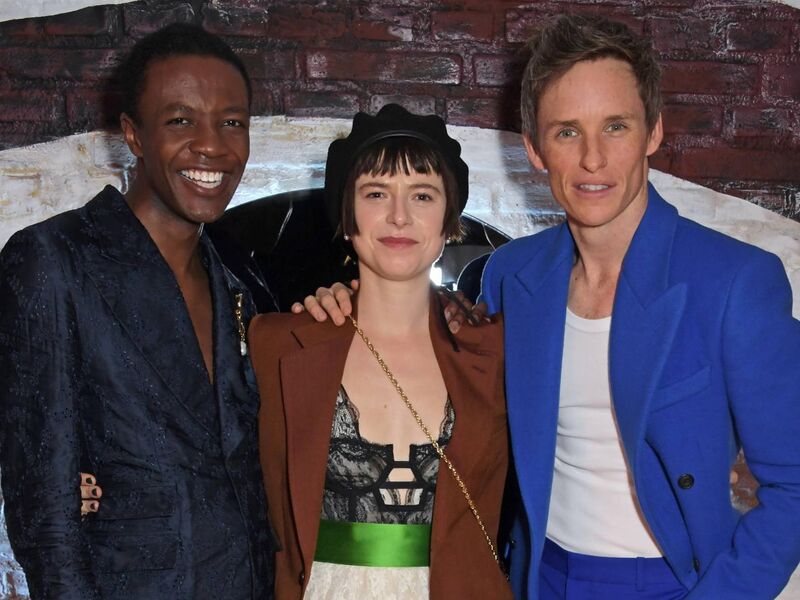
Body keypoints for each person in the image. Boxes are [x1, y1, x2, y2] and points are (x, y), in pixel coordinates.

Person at [478, 14, 800, 600]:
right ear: (534, 148)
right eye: (567, 132)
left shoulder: (736, 282)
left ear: (653, 132)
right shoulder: (510, 277)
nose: (593, 159)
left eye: (616, 126)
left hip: (674, 585)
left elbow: (797, 486)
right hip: (539, 580)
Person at [0, 23, 275, 599]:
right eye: (180, 120)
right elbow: (45, 516)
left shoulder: (239, 282)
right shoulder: (54, 260)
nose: (212, 145)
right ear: (134, 134)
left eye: (232, 122)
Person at [248, 104, 513, 599]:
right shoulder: (278, 345)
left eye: (422, 195)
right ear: (346, 214)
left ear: (449, 219)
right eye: (375, 193)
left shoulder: (493, 350)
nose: (398, 215)